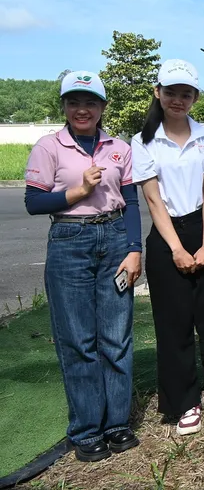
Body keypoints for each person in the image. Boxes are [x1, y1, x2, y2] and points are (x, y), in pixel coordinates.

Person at [24, 71, 143, 462]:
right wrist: (77, 191)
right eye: (74, 101)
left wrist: (133, 248)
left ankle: (117, 424)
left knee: (116, 337)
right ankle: (88, 429)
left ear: (102, 107)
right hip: (69, 241)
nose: (82, 109)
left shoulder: (118, 147)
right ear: (64, 106)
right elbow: (34, 202)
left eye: (90, 102)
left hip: (112, 241)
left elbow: (131, 201)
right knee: (78, 341)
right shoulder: (48, 146)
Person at [130, 60, 204, 436]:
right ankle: (184, 401)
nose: (178, 100)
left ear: (195, 97)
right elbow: (153, 201)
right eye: (172, 92)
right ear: (158, 93)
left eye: (186, 94)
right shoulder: (143, 140)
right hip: (167, 235)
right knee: (174, 322)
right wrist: (176, 249)